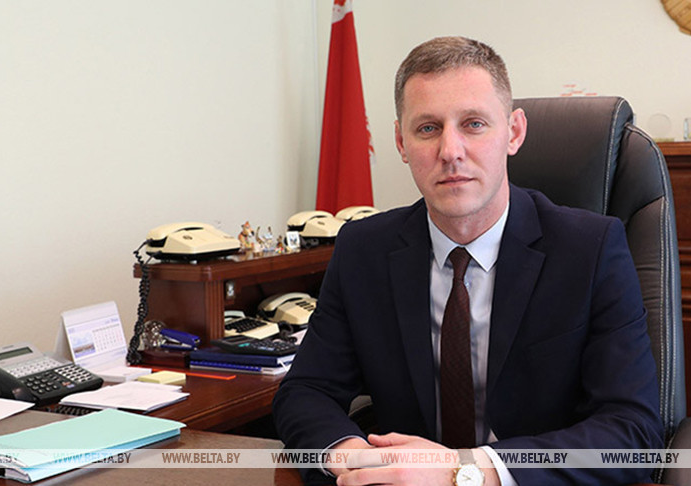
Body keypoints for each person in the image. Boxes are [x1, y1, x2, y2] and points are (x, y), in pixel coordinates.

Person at [273, 36, 663, 486]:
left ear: (514, 132)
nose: (450, 151)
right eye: (427, 128)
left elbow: (631, 430)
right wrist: (352, 455)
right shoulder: (363, 250)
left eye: (474, 124)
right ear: (401, 142)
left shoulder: (590, 249)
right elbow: (306, 391)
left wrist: (467, 472)